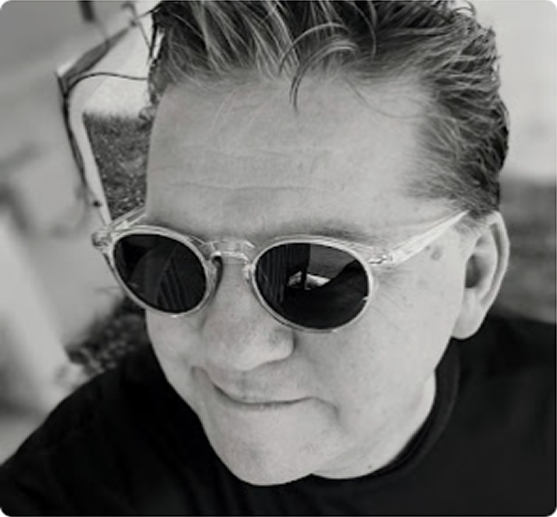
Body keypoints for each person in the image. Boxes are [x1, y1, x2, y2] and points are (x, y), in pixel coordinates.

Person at [0, 1, 554, 514]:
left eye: (313, 277)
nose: (231, 350)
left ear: (473, 275)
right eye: (171, 257)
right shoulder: (84, 480)